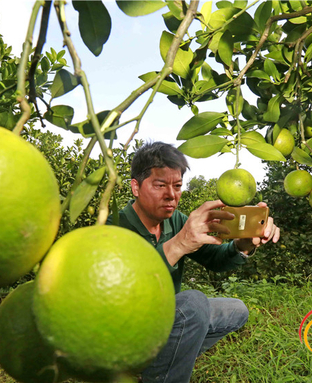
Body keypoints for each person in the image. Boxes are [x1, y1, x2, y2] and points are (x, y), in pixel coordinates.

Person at [106, 142, 280, 383]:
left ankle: (160, 360)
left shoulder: (176, 220)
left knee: (236, 310)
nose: (171, 195)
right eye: (160, 185)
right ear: (136, 187)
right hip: (125, 328)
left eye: (177, 186)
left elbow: (216, 260)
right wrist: (179, 244)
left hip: (163, 320)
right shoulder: (112, 226)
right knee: (193, 303)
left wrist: (244, 244)